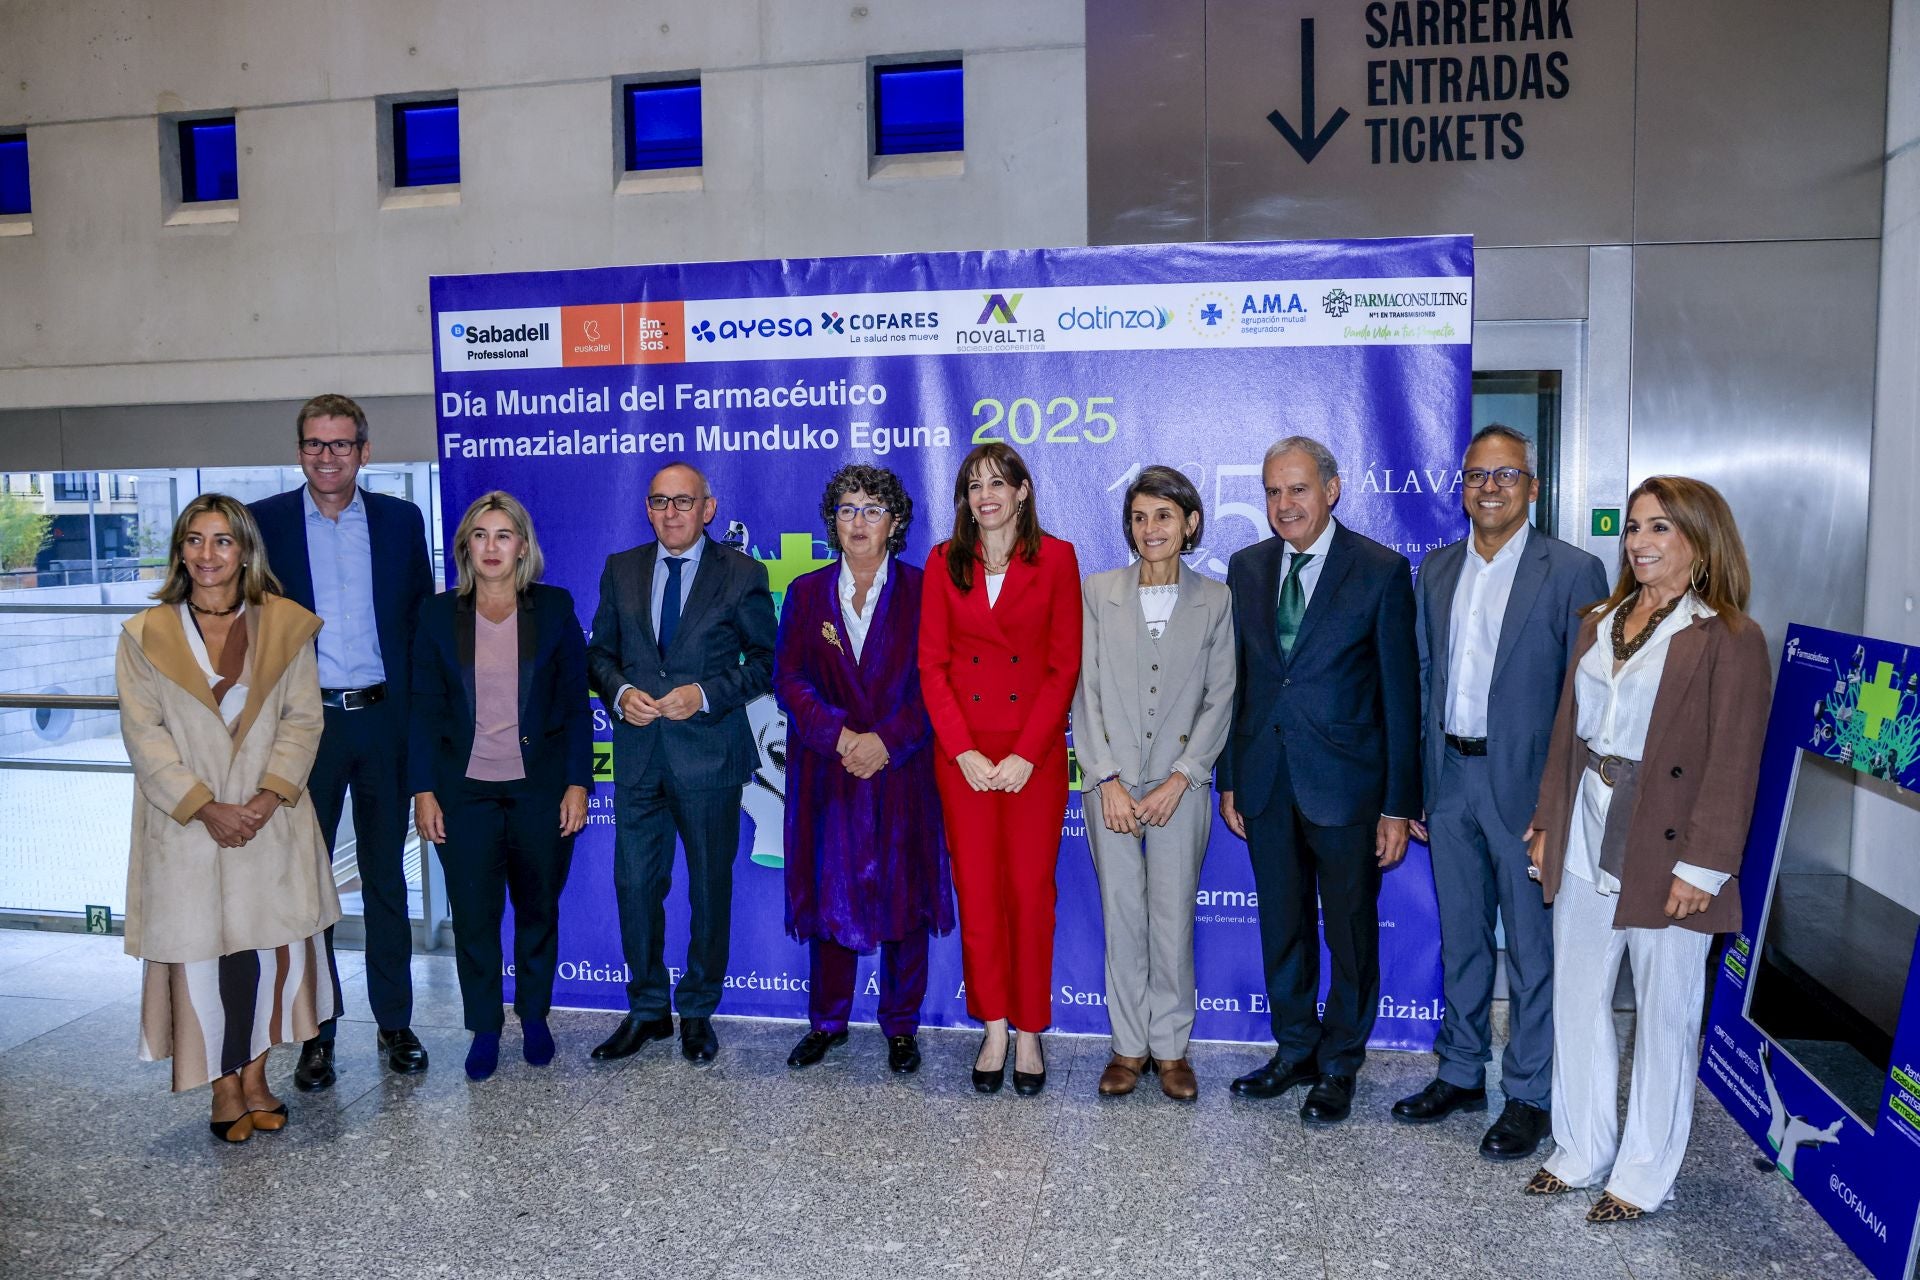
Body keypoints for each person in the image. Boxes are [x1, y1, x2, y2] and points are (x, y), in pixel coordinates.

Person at [1521, 475, 1770, 1221]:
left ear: (1700, 540)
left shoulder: (1729, 636)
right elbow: (1568, 730)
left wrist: (1704, 865)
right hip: (1588, 825)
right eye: (1633, 528)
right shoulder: (1600, 619)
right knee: (1579, 993)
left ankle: (1642, 1175)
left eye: (1660, 528)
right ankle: (1580, 1146)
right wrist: (1546, 819)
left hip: (1671, 846)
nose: (1640, 542)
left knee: (1663, 1013)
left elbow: (1735, 760)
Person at [1393, 426, 1609, 1159]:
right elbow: (1426, 680)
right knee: (1462, 938)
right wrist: (1419, 785)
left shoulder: (1574, 571)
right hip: (1449, 780)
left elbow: (1587, 702)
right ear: (1462, 487)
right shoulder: (1439, 570)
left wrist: (1558, 803)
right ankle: (1459, 1071)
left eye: (1506, 475)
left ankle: (1529, 1094)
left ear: (1534, 488)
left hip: (1527, 789)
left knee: (1532, 949)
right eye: (1478, 476)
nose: (1490, 487)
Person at [117, 494, 340, 1142]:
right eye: (194, 540)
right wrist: (206, 807)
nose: (206, 554)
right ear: (179, 550)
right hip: (188, 828)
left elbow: (304, 720)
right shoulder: (145, 636)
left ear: (245, 550)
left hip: (271, 824)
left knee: (272, 956)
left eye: (221, 541)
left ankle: (257, 1077)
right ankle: (221, 1086)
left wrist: (266, 799)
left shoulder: (287, 627)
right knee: (202, 964)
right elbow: (144, 735)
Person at [1219, 435, 1419, 1123]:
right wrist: (1229, 778)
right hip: (1266, 779)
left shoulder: (1380, 570)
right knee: (1283, 925)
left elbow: (1400, 694)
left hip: (1347, 787)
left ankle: (1339, 1064)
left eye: (1298, 489)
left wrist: (1397, 804)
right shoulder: (1245, 568)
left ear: (1331, 491)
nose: (1284, 504)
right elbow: (1237, 684)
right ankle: (1295, 1050)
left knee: (1351, 932)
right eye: (1273, 491)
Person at [250, 394, 435, 1089]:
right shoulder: (265, 524)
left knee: (387, 878)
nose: (328, 456)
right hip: (306, 728)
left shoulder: (399, 520)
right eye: (315, 444)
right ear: (300, 450)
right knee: (309, 886)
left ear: (365, 449)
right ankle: (317, 1034)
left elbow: (419, 625)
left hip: (385, 720)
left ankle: (395, 1022)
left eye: (341, 444)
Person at [586, 462, 777, 1065]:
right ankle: (647, 1011)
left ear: (708, 509)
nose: (671, 513)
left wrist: (705, 694)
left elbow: (768, 662)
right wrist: (617, 692)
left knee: (708, 890)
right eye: (660, 502)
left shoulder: (743, 573)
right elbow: (599, 653)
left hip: (710, 758)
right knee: (635, 886)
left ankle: (697, 1009)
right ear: (647, 508)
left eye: (684, 502)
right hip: (640, 759)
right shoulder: (621, 569)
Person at [773, 465, 954, 1075]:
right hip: (829, 772)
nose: (858, 521)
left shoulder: (927, 590)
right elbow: (789, 679)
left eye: (872, 510)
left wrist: (887, 741)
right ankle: (827, 1022)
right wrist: (840, 735)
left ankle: (901, 1026)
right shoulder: (804, 591)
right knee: (830, 901)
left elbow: (938, 681)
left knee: (903, 901)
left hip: (901, 771)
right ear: (833, 519)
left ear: (895, 523)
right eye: (848, 508)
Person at [409, 492, 591, 1081]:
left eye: (503, 534)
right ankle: (484, 1026)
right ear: (466, 546)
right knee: (474, 917)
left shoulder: (555, 608)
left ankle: (534, 1016)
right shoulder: (438, 615)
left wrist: (577, 783)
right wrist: (423, 790)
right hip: (463, 794)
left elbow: (574, 706)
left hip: (538, 791)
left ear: (522, 546)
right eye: (481, 535)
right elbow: (423, 710)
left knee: (538, 911)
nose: (492, 546)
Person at [918, 442, 1082, 1096]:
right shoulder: (941, 562)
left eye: (997, 483)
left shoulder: (1058, 558)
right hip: (963, 760)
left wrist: (1022, 755)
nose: (985, 495)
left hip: (1030, 759)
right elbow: (932, 666)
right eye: (974, 485)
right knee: (979, 894)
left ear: (1021, 492)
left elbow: (1062, 665)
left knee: (1030, 897)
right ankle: (992, 1027)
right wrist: (964, 752)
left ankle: (1031, 1030)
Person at [1071, 466, 1235, 1102]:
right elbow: (1084, 693)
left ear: (1189, 522)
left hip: (1180, 787)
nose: (1150, 529)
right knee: (1122, 915)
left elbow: (1221, 698)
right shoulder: (1098, 592)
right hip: (1109, 782)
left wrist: (1182, 778)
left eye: (1163, 516)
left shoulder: (1216, 600)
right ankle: (1127, 1046)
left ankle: (1170, 1048)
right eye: (1139, 517)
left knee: (1171, 917)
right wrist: (1105, 778)